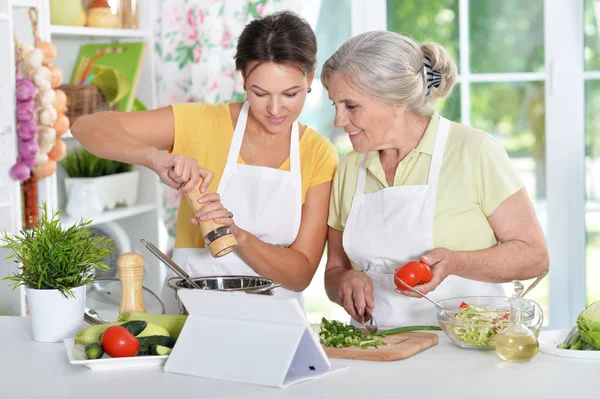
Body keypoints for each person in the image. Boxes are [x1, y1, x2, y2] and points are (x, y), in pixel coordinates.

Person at [71, 11, 338, 312]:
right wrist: (155, 159)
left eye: (291, 93)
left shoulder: (318, 152)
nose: (275, 109)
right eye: (260, 93)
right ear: (243, 78)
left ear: (310, 78)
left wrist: (237, 235)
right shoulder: (200, 122)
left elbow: (300, 274)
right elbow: (86, 127)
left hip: (275, 319)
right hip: (189, 312)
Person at [321, 31, 549, 327]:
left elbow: (534, 257)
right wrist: (344, 281)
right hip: (376, 351)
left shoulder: (474, 151)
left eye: (351, 106)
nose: (338, 121)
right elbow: (334, 270)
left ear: (397, 102)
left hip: (467, 349)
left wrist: (456, 262)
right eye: (334, 105)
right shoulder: (350, 168)